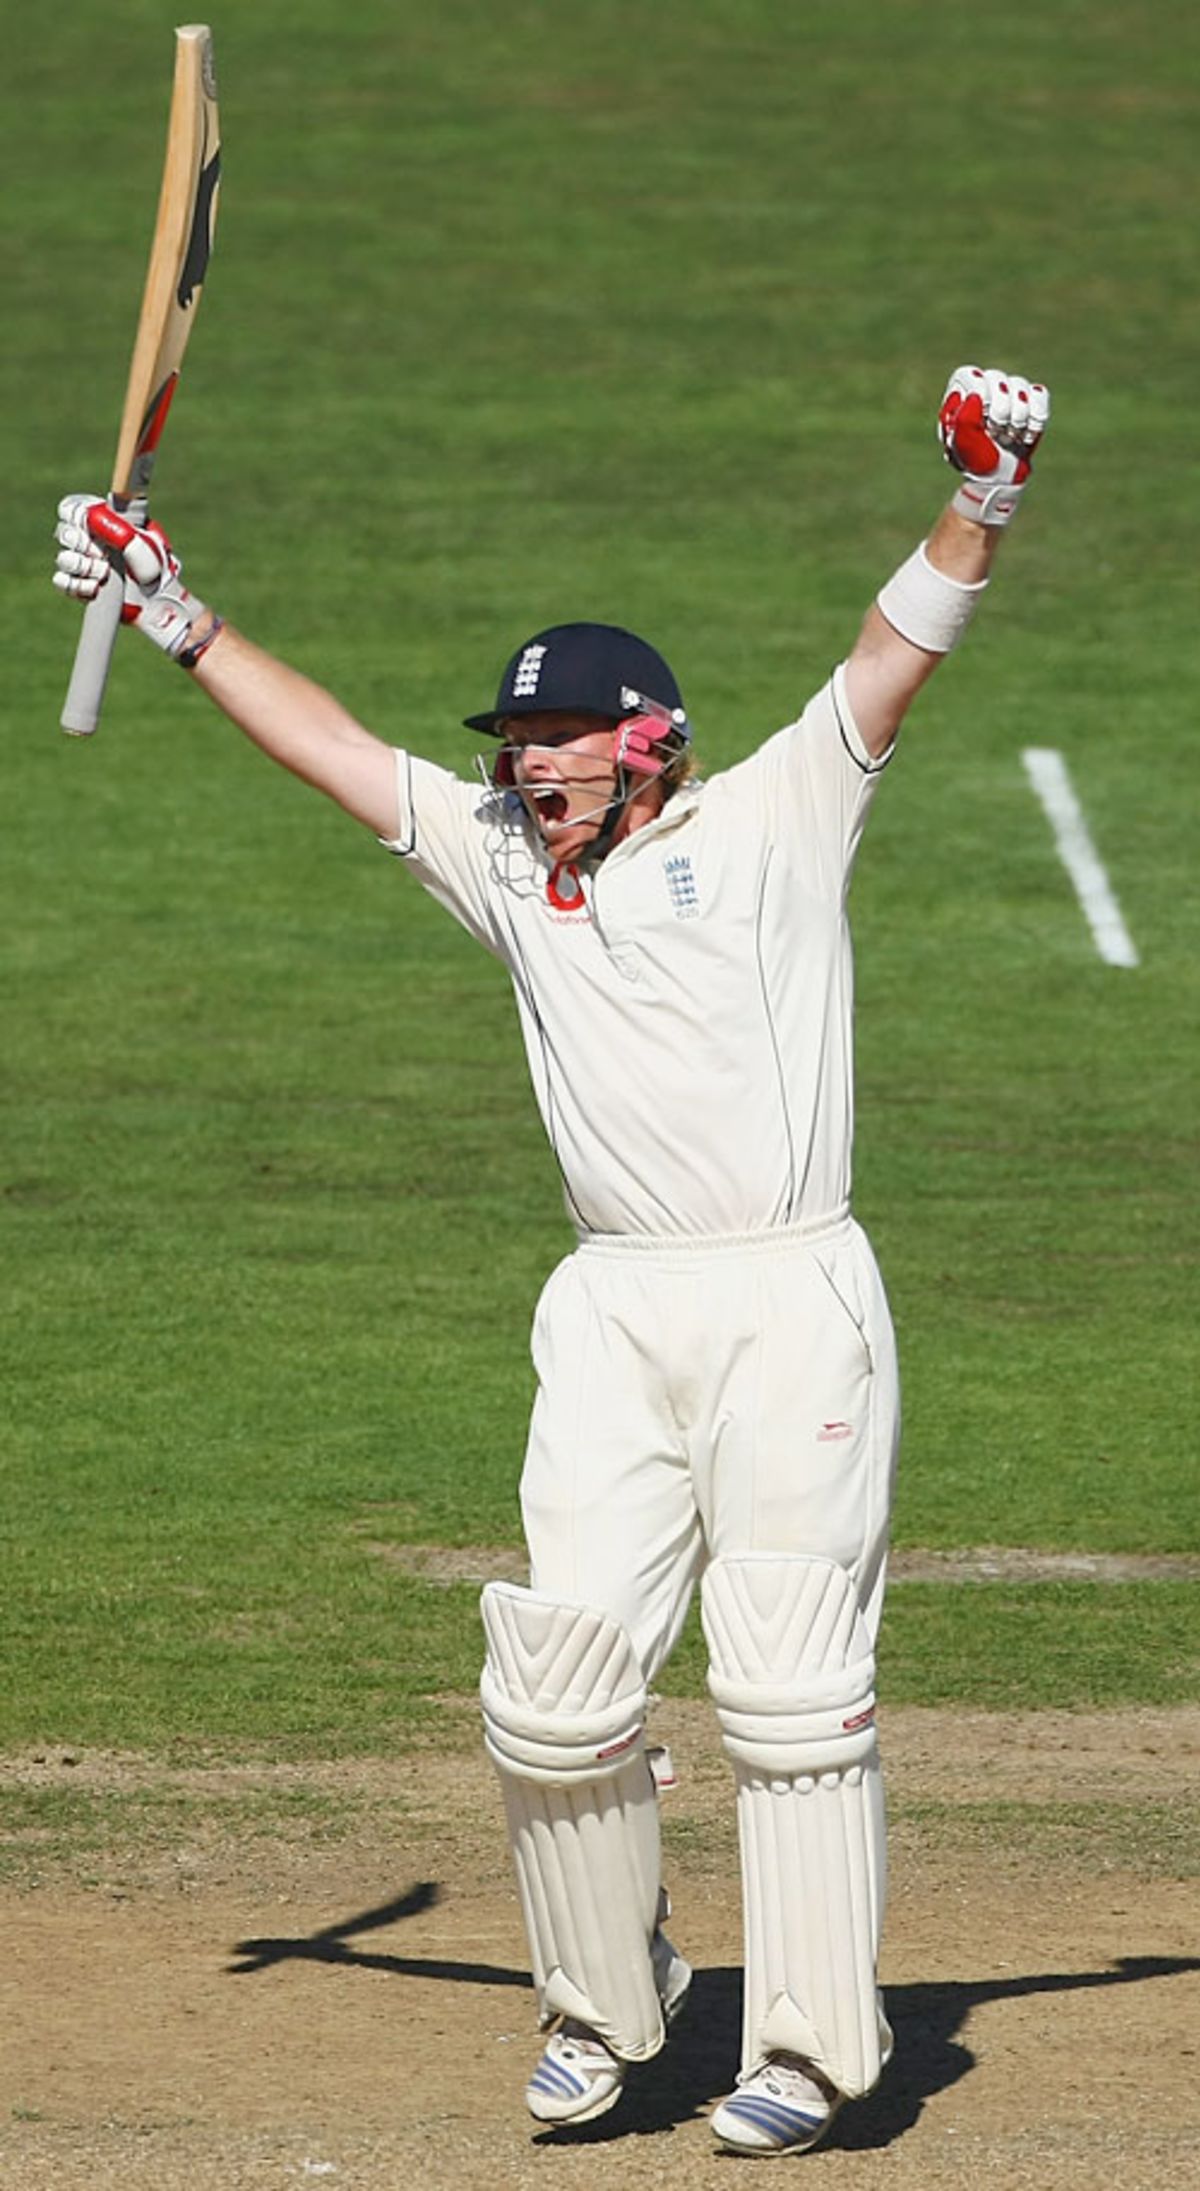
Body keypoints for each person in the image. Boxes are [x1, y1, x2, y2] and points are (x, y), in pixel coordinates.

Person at [53, 362, 1049, 2155]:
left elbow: (898, 655)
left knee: (792, 1687)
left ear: (647, 737)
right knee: (556, 1682)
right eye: (515, 748)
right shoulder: (508, 861)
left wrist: (985, 491)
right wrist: (174, 609)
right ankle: (612, 2011)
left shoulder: (772, 817)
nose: (525, 771)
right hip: (610, 1307)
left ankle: (819, 2053)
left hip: (787, 1295)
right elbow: (344, 754)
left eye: (559, 744)